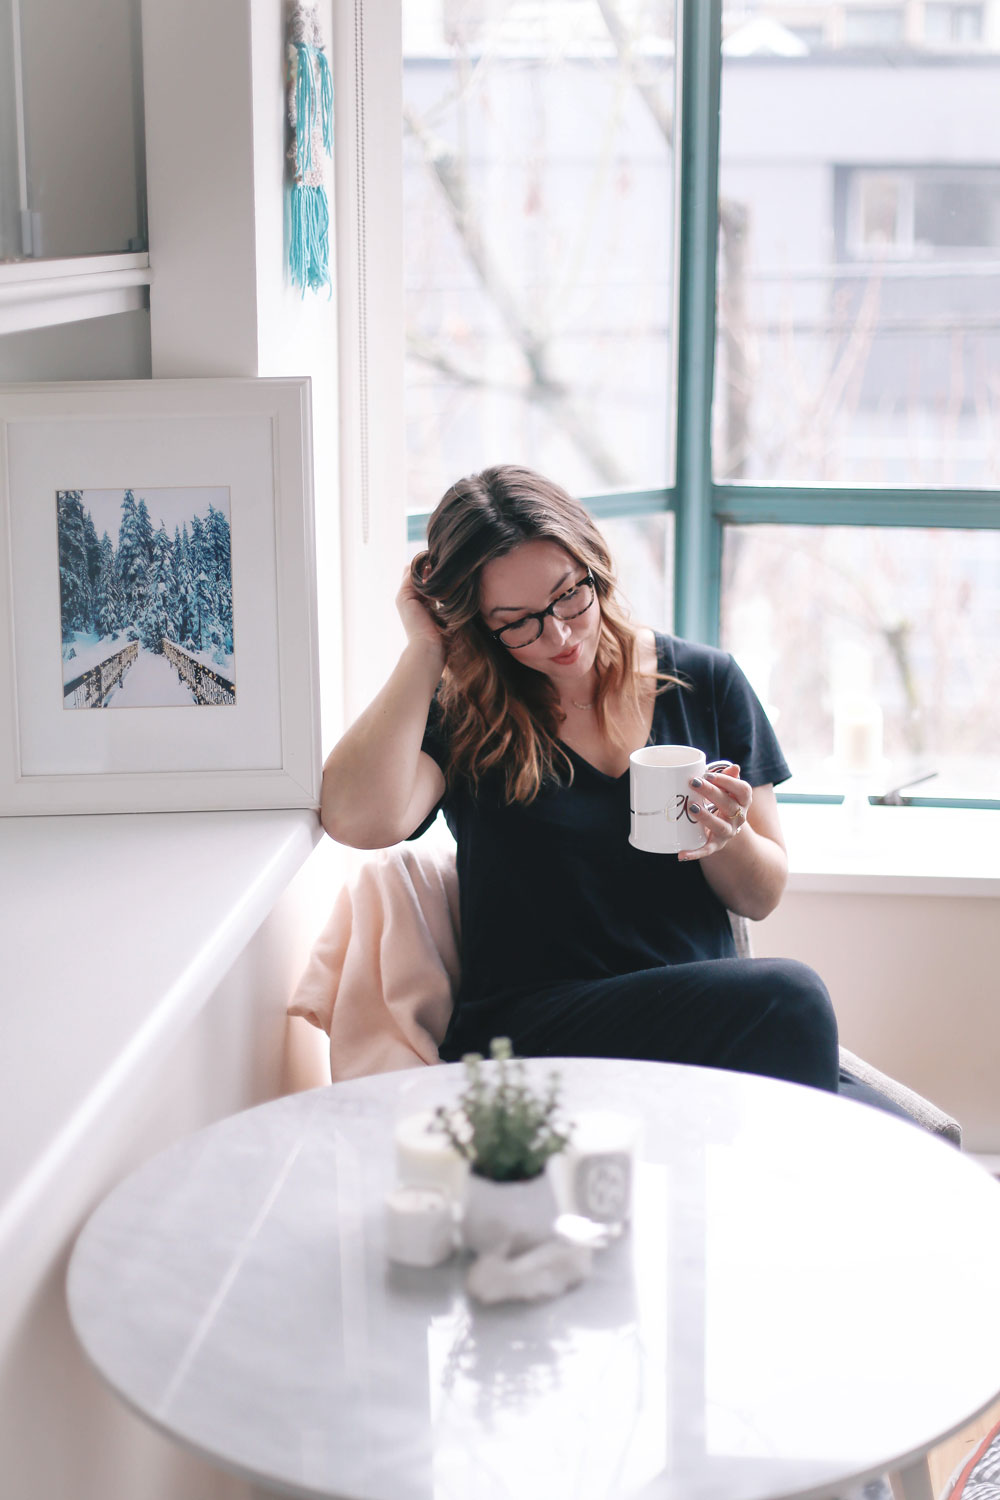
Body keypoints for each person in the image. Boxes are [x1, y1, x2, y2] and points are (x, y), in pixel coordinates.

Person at [321, 464, 858, 1100]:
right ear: (478, 624)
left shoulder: (707, 682)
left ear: (593, 563)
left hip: (696, 1024)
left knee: (820, 1061)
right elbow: (357, 819)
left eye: (568, 595)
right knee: (792, 1000)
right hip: (535, 1034)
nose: (559, 634)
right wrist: (426, 652)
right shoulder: (467, 715)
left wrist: (728, 836)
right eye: (516, 620)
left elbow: (762, 895)